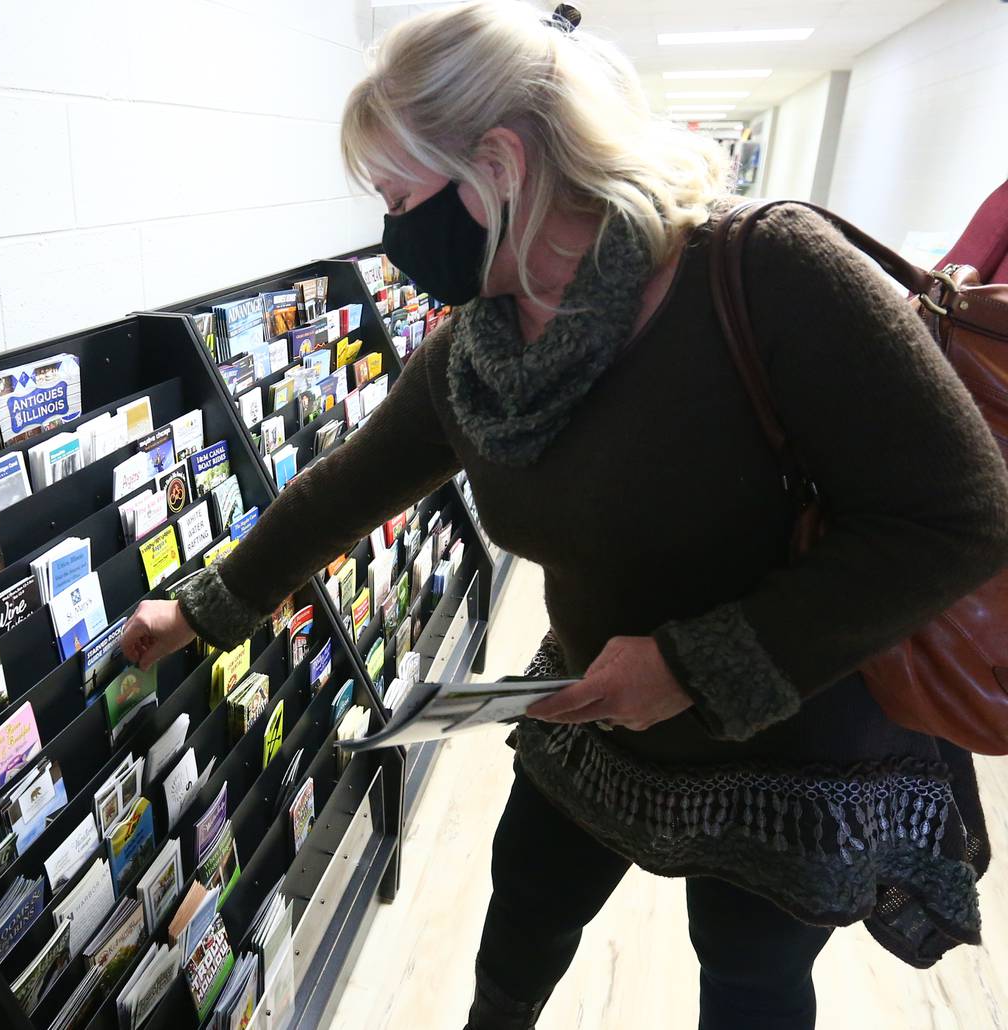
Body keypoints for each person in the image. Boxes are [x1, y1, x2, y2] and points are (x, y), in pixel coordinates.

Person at [121, 3, 1008, 1028]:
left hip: (792, 736)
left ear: (497, 164)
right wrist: (201, 609)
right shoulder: (479, 352)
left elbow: (961, 515)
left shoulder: (765, 271)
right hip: (591, 710)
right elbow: (347, 489)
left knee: (751, 969)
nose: (392, 231)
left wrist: (689, 666)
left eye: (400, 194)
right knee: (525, 908)